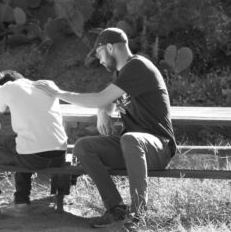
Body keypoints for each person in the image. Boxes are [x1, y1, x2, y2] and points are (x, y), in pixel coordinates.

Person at [35, 27, 176, 229]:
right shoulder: (124, 72)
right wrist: (103, 111)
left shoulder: (138, 66)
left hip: (158, 148)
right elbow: (108, 99)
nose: (100, 60)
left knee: (130, 139)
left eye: (99, 53)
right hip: (132, 148)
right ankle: (116, 209)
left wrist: (57, 93)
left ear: (110, 47)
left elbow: (101, 97)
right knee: (83, 147)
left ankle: (137, 217)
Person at [0, 70, 67, 221]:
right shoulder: (47, 85)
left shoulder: (6, 88)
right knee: (22, 141)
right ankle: (21, 204)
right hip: (59, 156)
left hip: (34, 159)